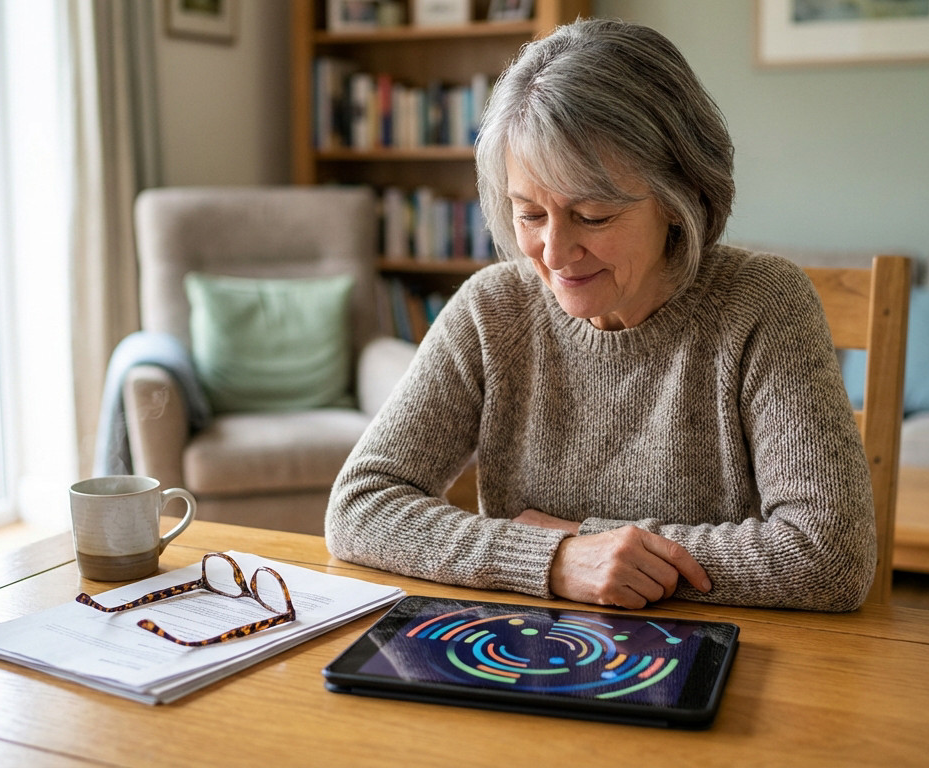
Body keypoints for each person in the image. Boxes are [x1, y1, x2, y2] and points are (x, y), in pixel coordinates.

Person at [326, 18, 876, 612]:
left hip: (722, 660)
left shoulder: (764, 304)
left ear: (680, 196)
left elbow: (831, 556)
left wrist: (584, 542)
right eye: (529, 214)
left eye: (592, 215)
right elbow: (360, 506)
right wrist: (555, 561)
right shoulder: (492, 310)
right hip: (527, 650)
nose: (555, 254)